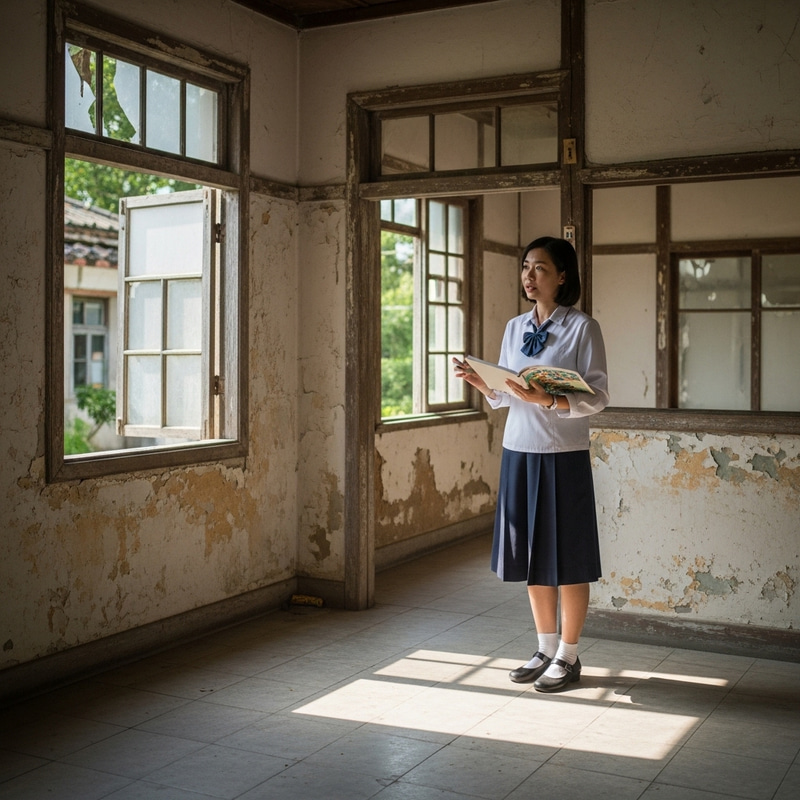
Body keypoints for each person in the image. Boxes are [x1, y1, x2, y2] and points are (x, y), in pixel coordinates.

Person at [453, 236, 609, 693]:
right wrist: (481, 383)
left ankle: (570, 654)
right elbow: (505, 395)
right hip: (519, 451)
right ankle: (544, 646)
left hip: (563, 455)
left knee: (569, 559)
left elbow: (597, 398)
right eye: (525, 267)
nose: (529, 275)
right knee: (532, 559)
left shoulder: (583, 328)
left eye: (539, 268)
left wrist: (550, 399)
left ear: (563, 276)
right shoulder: (514, 326)